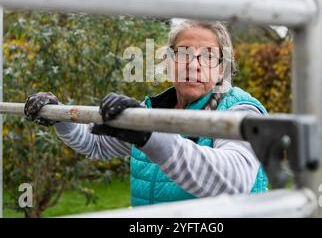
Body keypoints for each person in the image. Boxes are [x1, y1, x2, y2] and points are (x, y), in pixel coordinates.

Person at [24, 20, 268, 207]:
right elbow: (95, 143)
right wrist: (60, 115)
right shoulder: (153, 109)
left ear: (221, 69)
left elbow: (235, 182)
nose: (193, 65)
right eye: (183, 53)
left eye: (208, 56)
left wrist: (149, 135)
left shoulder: (240, 110)